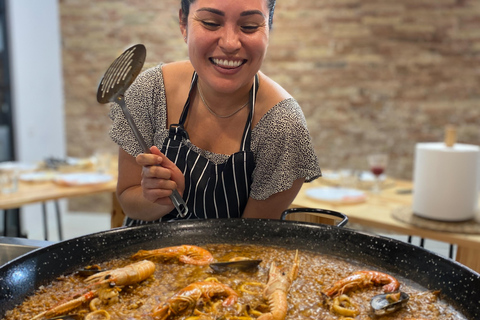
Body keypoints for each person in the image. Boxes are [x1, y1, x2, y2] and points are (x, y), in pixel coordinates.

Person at [109, 0, 321, 226]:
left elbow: (252, 242)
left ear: (269, 27)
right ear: (183, 23)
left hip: (229, 259)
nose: (230, 43)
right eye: (211, 23)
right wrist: (160, 198)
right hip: (140, 256)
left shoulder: (283, 125)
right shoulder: (151, 90)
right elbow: (128, 200)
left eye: (249, 26)